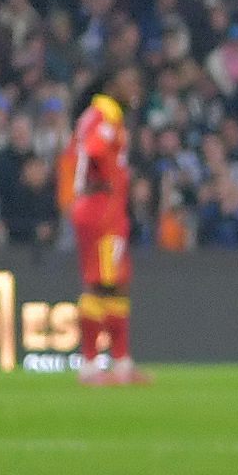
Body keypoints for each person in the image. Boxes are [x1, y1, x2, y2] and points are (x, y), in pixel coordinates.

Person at [60, 65, 141, 384]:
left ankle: (121, 364)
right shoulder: (104, 115)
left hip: (109, 206)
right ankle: (90, 365)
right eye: (128, 81)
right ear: (110, 85)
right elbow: (93, 150)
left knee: (117, 281)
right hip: (99, 206)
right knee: (99, 282)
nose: (134, 87)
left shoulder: (106, 115)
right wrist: (109, 177)